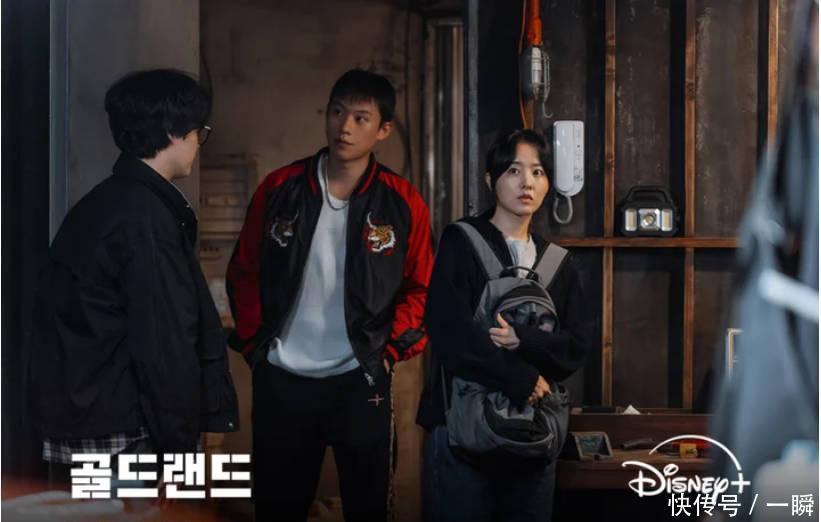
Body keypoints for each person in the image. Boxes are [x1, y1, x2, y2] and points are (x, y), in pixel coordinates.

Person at [226, 69, 433, 521]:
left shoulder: (402, 201)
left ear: (383, 130)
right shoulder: (281, 188)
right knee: (278, 507)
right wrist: (257, 346)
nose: (344, 127)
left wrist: (387, 352)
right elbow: (244, 269)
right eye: (338, 112)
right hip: (282, 375)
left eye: (361, 118)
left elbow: (421, 287)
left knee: (368, 507)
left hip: (359, 378)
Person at [28, 69, 239, 483]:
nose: (199, 143)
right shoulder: (145, 219)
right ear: (175, 133)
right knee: (136, 511)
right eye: (198, 132)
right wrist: (181, 453)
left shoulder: (107, 204)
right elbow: (163, 344)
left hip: (91, 419)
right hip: (123, 431)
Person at [417, 129, 592, 522]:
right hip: (462, 430)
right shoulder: (461, 241)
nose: (526, 182)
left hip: (533, 434)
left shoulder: (559, 263)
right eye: (513, 170)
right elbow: (447, 330)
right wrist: (520, 377)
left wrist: (523, 339)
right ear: (490, 179)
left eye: (537, 172)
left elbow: (577, 346)